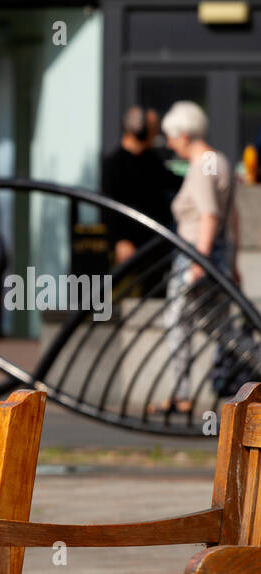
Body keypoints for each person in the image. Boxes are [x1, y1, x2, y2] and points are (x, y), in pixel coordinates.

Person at [154, 100, 241, 413]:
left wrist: (197, 264)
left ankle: (181, 394)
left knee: (178, 320)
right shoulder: (220, 161)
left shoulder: (202, 164)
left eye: (171, 136)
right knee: (219, 328)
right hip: (215, 257)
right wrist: (231, 264)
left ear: (184, 134)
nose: (169, 143)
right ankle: (182, 393)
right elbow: (233, 218)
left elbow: (209, 216)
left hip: (196, 255)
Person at [101, 106, 181, 264]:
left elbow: (175, 182)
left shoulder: (152, 161)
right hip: (129, 249)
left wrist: (206, 169)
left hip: (155, 245)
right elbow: (108, 207)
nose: (157, 134)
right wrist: (120, 240)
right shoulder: (114, 164)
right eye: (153, 129)